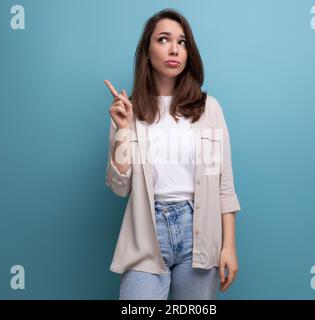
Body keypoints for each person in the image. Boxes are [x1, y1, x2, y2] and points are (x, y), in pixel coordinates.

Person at [104, 8, 241, 300]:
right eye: (163, 39)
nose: (174, 49)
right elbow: (119, 187)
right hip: (145, 232)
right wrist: (125, 130)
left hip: (199, 233)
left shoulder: (208, 109)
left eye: (182, 42)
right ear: (147, 52)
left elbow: (223, 184)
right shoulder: (129, 111)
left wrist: (228, 246)